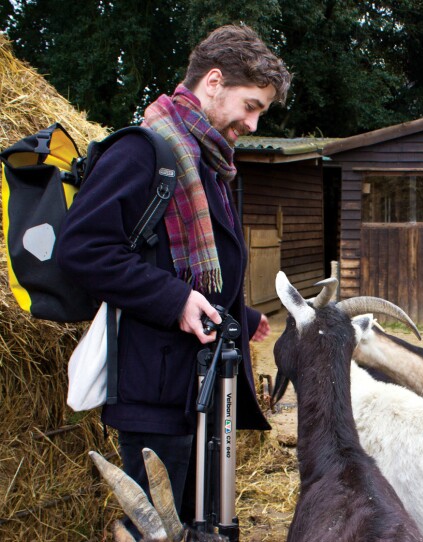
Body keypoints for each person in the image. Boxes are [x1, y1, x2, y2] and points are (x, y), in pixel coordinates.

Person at [58, 24, 290, 531]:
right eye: (250, 105)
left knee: (197, 524)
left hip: (198, 388)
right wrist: (176, 301)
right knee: (156, 530)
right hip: (154, 394)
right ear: (213, 81)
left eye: (260, 112)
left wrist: (237, 313)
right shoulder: (145, 151)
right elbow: (82, 249)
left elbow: (177, 259)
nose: (252, 123)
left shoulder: (210, 162)